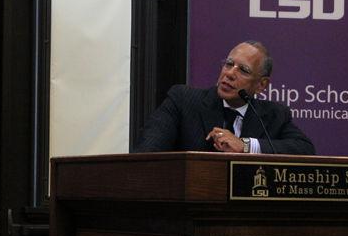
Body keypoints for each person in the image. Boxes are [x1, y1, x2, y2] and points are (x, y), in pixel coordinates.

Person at [133, 40, 315, 155]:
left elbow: (305, 149)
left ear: (261, 85)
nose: (229, 73)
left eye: (243, 70)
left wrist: (245, 146)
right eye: (229, 64)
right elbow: (147, 155)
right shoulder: (183, 101)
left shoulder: (275, 115)